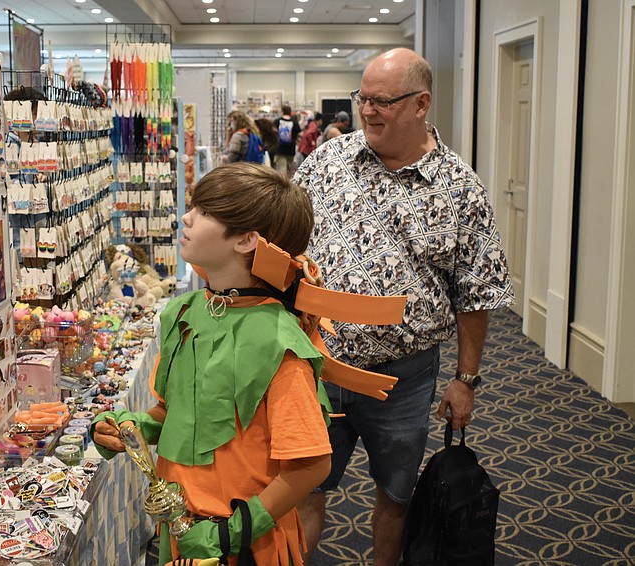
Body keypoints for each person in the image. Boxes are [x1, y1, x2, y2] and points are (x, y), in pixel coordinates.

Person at [293, 48, 514, 566]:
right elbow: (288, 239)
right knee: (304, 491)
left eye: (382, 101)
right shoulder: (327, 162)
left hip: (404, 379)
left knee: (395, 497)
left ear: (422, 104)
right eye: (362, 97)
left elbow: (475, 293)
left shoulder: (460, 189)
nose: (367, 110)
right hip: (316, 365)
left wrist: (467, 379)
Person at [92, 162, 333, 565]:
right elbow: (178, 413)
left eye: (204, 211)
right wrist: (133, 428)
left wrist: (232, 532)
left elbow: (310, 464)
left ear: (245, 240)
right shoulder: (186, 313)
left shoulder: (279, 343)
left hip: (245, 545)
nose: (187, 217)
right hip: (181, 532)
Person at [273, 105, 301, 177]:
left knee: (281, 171)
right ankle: (289, 185)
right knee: (290, 171)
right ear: (290, 112)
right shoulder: (294, 122)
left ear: (282, 112)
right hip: (291, 149)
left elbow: (273, 133)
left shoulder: (277, 121)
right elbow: (299, 134)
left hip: (280, 149)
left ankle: (282, 186)